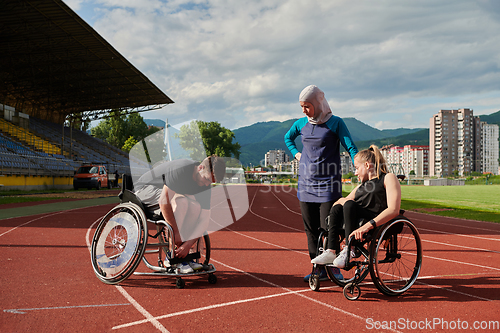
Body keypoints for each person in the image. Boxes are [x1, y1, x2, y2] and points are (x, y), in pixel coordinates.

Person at [284, 85, 358, 282]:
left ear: (318, 103)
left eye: (307, 106)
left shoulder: (335, 123)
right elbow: (287, 138)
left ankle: (332, 267)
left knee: (329, 227)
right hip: (306, 185)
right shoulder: (300, 124)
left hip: (329, 185)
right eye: (302, 106)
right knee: (311, 230)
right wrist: (297, 154)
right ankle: (317, 266)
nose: (304, 110)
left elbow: (349, 145)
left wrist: (358, 163)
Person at [310, 145, 402, 269]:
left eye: (357, 168)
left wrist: (367, 226)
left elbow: (393, 209)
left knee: (348, 204)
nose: (355, 172)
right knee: (338, 207)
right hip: (361, 219)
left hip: (376, 220)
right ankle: (331, 251)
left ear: (367, 165)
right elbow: (343, 201)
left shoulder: (388, 178)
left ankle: (350, 248)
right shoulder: (361, 186)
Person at [134, 155, 226, 273]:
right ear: (200, 168)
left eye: (211, 182)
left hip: (167, 193)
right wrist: (175, 233)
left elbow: (204, 219)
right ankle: (172, 256)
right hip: (145, 189)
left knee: (195, 206)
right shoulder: (181, 169)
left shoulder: (205, 185)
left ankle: (183, 256)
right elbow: (164, 201)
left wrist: (188, 244)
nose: (207, 184)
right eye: (207, 179)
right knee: (181, 202)